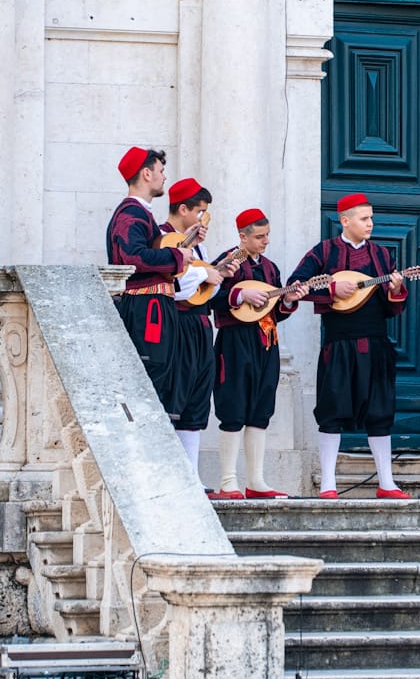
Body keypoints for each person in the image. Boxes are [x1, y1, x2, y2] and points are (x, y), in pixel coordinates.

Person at [289, 193, 411, 500]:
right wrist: (332, 288)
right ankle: (328, 484)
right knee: (332, 407)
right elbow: (295, 286)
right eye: (364, 218)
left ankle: (386, 482)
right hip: (339, 343)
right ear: (345, 221)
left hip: (376, 342)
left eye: (371, 218)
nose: (370, 224)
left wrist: (396, 289)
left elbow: (393, 306)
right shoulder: (324, 252)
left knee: (380, 409)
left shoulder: (383, 255)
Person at [210, 207, 305, 499]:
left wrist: (287, 300)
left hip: (266, 341)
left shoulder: (271, 268)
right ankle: (228, 481)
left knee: (261, 407)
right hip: (235, 340)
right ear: (243, 237)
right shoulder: (227, 262)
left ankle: (255, 480)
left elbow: (273, 310)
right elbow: (207, 295)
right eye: (260, 236)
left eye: (267, 236)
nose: (265, 242)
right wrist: (239, 295)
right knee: (233, 404)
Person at [159, 178, 236, 486]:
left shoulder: (198, 245)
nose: (204, 219)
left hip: (201, 326)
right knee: (174, 397)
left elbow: (202, 288)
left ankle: (190, 475)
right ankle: (174, 476)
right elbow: (175, 285)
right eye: (200, 212)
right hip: (177, 325)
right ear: (183, 209)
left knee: (196, 401)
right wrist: (206, 273)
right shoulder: (162, 239)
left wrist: (218, 277)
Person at [106, 146, 190, 417]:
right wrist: (177, 256)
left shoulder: (141, 214)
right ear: (146, 174)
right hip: (146, 309)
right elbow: (134, 258)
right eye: (161, 171)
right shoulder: (131, 213)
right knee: (150, 376)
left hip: (153, 306)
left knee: (159, 376)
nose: (164, 177)